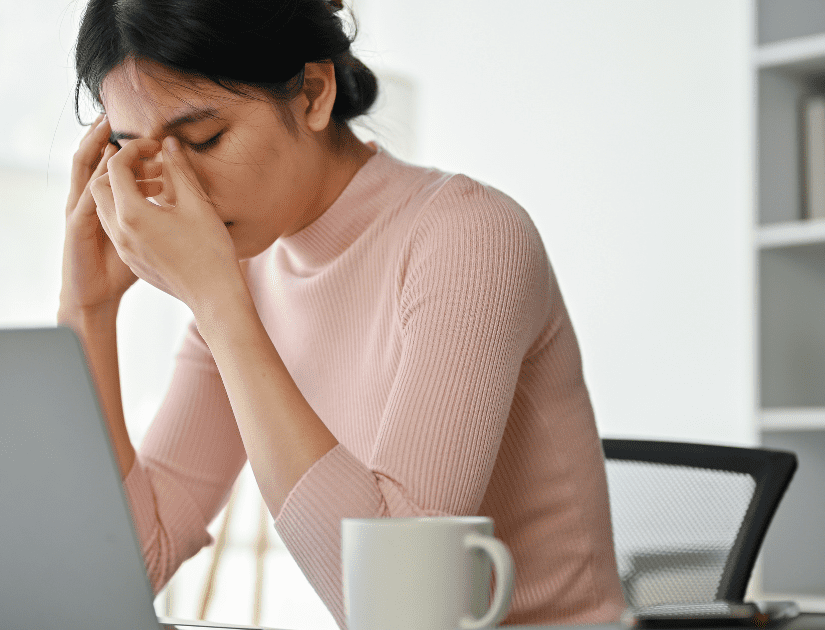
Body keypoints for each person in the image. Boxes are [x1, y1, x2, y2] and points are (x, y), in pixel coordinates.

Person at [58, 0, 626, 626]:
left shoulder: (469, 237)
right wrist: (88, 310)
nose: (176, 191)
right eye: (134, 149)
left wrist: (219, 304)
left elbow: (404, 610)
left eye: (204, 139)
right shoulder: (243, 269)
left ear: (313, 93)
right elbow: (132, 561)